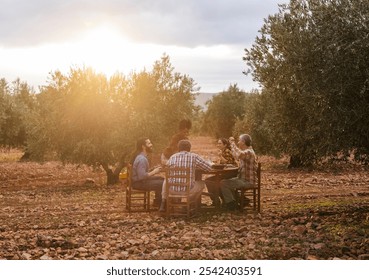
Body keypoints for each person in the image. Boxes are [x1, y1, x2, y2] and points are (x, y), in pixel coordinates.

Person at [159, 139, 212, 211]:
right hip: (187, 190)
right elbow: (209, 168)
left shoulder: (172, 157)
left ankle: (164, 202)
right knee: (202, 183)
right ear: (189, 148)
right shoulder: (194, 157)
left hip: (172, 190)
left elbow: (167, 168)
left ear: (178, 148)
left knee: (166, 180)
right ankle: (190, 204)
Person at [220, 134, 257, 210]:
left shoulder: (249, 152)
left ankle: (231, 205)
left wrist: (232, 143)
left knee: (223, 183)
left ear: (243, 142)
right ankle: (237, 202)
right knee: (225, 181)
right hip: (242, 179)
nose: (238, 142)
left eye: (239, 141)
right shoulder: (247, 152)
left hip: (246, 181)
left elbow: (238, 155)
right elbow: (237, 156)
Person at [131, 137, 164, 207]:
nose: (151, 145)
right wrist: (154, 172)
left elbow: (141, 172)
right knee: (162, 183)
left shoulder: (141, 157)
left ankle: (157, 202)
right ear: (143, 146)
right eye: (149, 143)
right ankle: (160, 204)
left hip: (140, 181)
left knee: (162, 179)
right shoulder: (142, 159)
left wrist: (152, 169)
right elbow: (141, 176)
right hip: (138, 183)